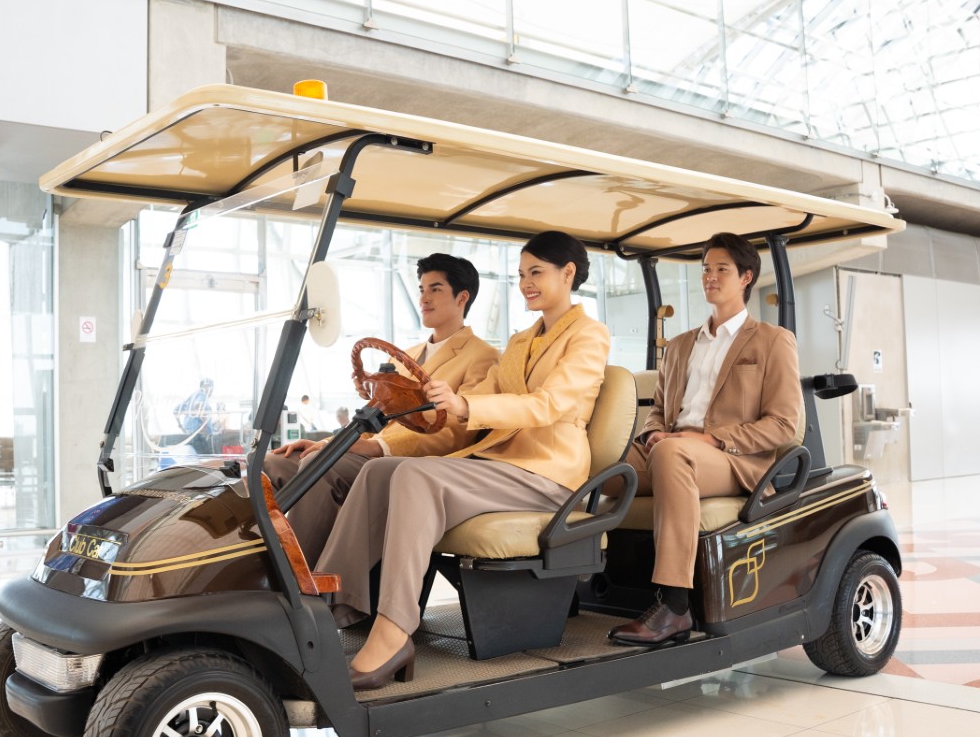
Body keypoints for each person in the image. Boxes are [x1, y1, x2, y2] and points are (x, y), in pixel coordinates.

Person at [316, 232, 610, 690]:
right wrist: (444, 401)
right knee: (377, 472)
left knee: (415, 476)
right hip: (500, 463)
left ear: (568, 273)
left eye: (536, 272)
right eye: (520, 275)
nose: (526, 283)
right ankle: (331, 599)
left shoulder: (590, 336)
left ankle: (394, 629)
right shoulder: (520, 341)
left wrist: (467, 407)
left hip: (547, 473)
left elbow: (551, 404)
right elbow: (485, 392)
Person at [608, 232, 801, 645]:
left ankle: (675, 605)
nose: (710, 277)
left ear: (746, 277)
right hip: (673, 449)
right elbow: (658, 412)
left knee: (674, 454)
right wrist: (653, 432)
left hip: (732, 459)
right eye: (706, 270)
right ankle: (572, 580)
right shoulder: (679, 346)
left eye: (722, 270)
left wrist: (713, 440)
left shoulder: (771, 341)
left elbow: (785, 425)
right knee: (601, 461)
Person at [264, 253, 498, 564]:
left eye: (436, 289)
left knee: (317, 467)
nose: (424, 298)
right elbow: (380, 418)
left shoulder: (482, 357)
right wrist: (328, 443)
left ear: (462, 297)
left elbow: (459, 433)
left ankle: (298, 579)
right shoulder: (408, 356)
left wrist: (378, 449)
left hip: (411, 461)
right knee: (273, 463)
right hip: (374, 448)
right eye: (421, 289)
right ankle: (251, 567)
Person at [174, 378, 223, 455]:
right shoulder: (202, 395)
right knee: (207, 459)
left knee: (199, 460)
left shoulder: (192, 396)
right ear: (206, 387)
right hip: (199, 435)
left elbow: (175, 410)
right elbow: (198, 405)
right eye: (212, 388)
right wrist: (204, 426)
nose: (212, 391)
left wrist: (180, 426)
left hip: (189, 434)